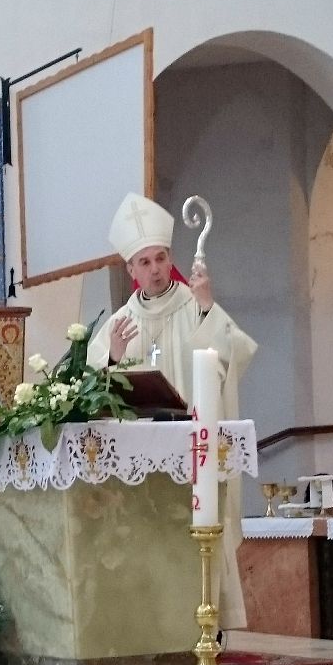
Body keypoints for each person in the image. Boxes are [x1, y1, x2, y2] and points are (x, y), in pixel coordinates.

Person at [87, 192, 258, 630]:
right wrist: (114, 357)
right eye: (144, 262)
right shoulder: (121, 323)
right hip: (143, 470)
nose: (155, 269)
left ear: (170, 259)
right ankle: (154, 630)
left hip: (193, 455)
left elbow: (233, 356)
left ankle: (206, 629)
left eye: (160, 258)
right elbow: (91, 392)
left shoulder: (193, 303)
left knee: (197, 538)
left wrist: (207, 308)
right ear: (131, 270)